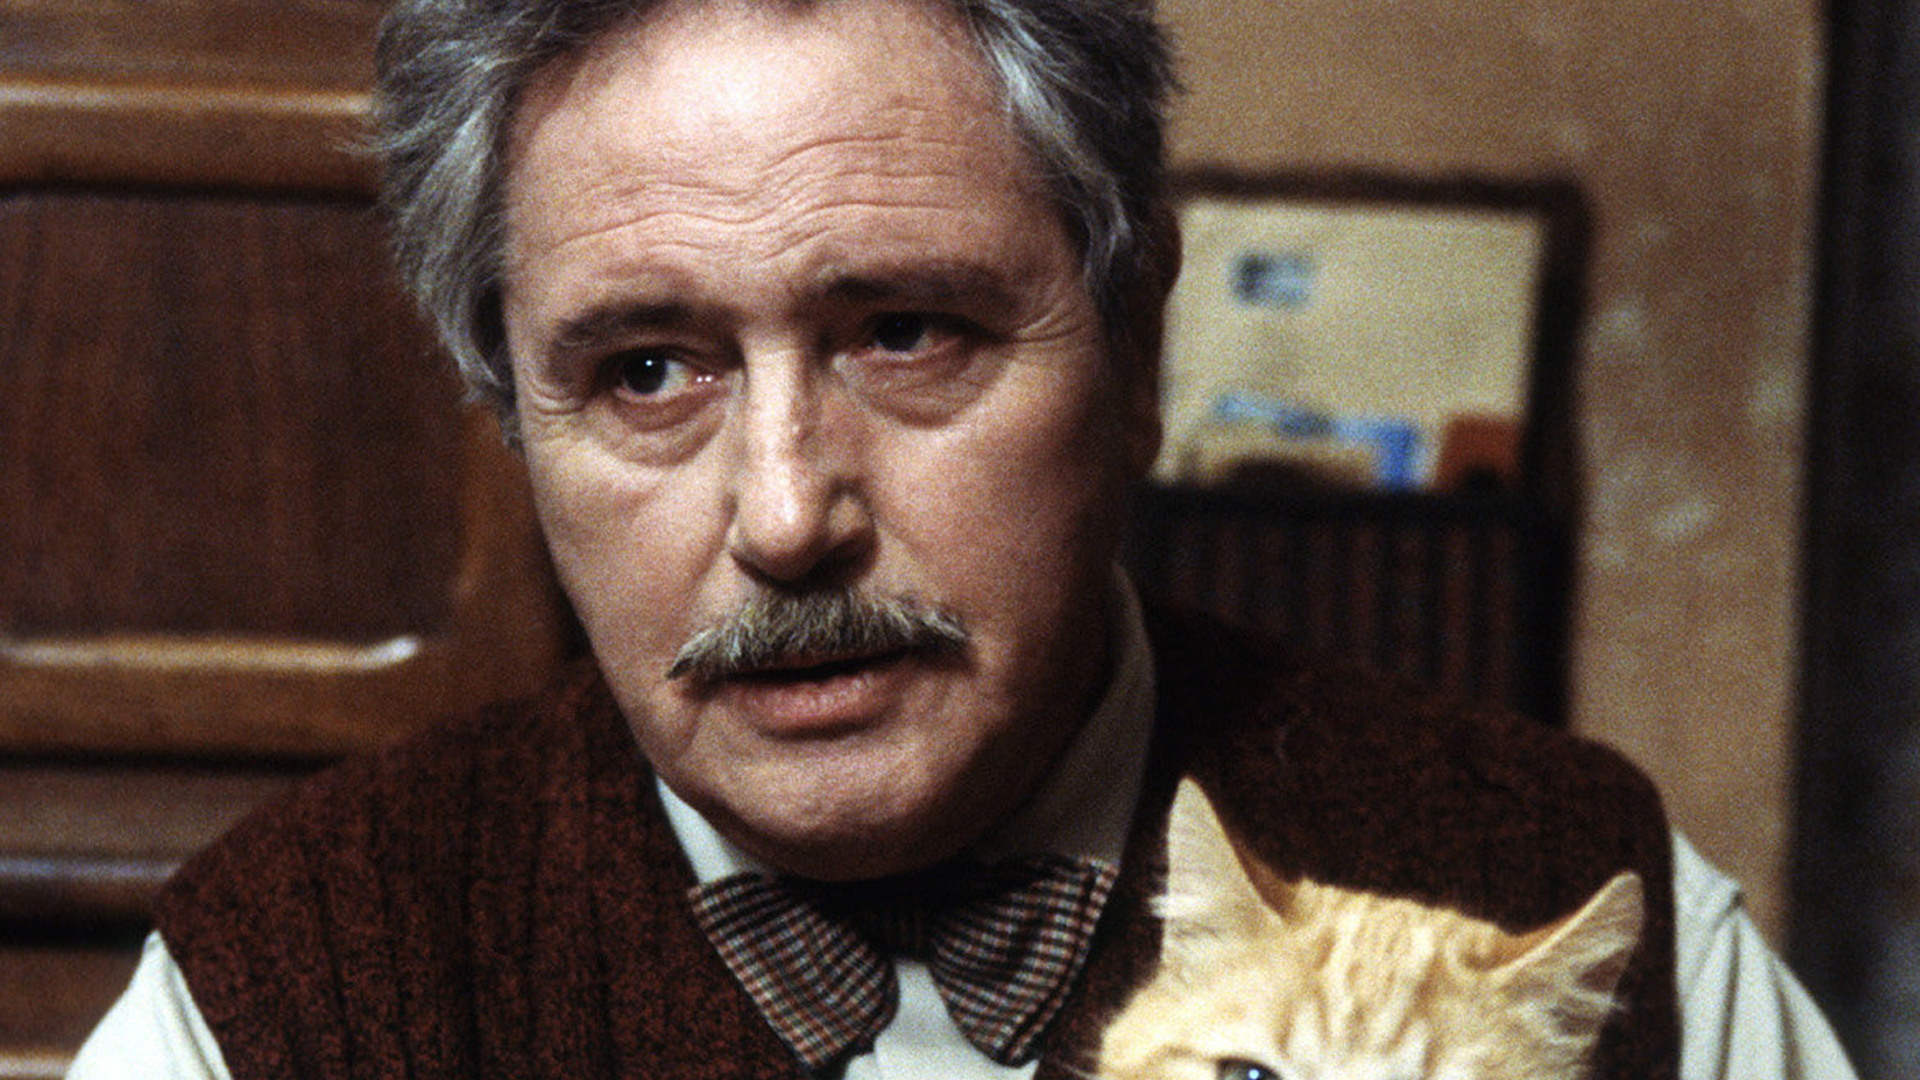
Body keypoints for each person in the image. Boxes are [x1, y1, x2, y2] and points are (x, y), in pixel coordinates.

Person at [66, 0, 1855, 1077]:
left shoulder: (1601, 920)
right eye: (649, 369)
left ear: (1139, 352)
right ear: (513, 421)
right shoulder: (279, 991)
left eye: (907, 332)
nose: (787, 516)